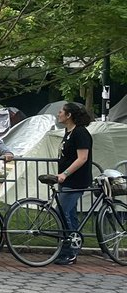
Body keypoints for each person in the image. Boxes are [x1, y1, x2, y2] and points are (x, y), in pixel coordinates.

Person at [53, 101, 93, 265]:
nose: (58, 114)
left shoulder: (80, 133)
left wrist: (65, 173)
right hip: (67, 180)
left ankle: (69, 251)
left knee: (61, 211)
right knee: (69, 214)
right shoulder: (68, 132)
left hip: (75, 180)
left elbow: (82, 158)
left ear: (69, 115)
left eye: (61, 111)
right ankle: (73, 247)